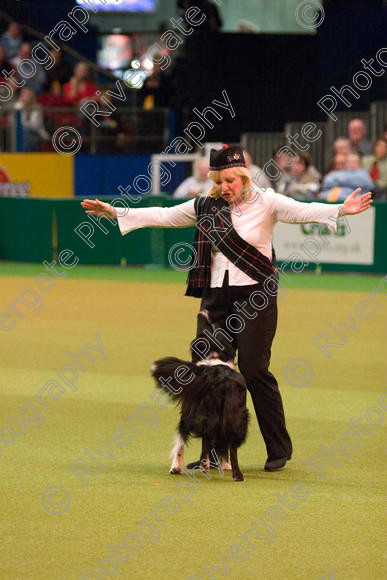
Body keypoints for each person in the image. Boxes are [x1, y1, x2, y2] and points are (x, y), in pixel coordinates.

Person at [81, 145, 372, 472]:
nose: (226, 187)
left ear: (244, 176)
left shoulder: (267, 201)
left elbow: (303, 211)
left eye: (232, 180)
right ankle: (208, 455)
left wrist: (342, 210)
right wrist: (118, 212)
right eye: (220, 181)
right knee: (205, 373)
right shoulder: (205, 205)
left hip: (255, 297)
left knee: (253, 370)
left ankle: (278, 448)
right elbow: (163, 215)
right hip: (216, 298)